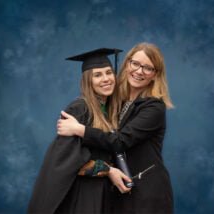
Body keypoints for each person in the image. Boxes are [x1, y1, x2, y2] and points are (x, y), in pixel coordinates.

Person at [58, 42, 174, 214]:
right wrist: (107, 170)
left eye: (148, 68)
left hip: (147, 193)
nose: (139, 71)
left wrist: (79, 129)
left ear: (155, 75)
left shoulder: (154, 107)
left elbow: (120, 141)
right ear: (127, 63)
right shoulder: (117, 101)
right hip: (119, 189)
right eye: (135, 64)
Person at [28, 48, 132, 214]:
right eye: (97, 75)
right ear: (87, 81)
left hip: (103, 193)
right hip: (82, 195)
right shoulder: (79, 110)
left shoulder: (109, 109)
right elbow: (68, 161)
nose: (106, 79)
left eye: (108, 72)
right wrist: (109, 170)